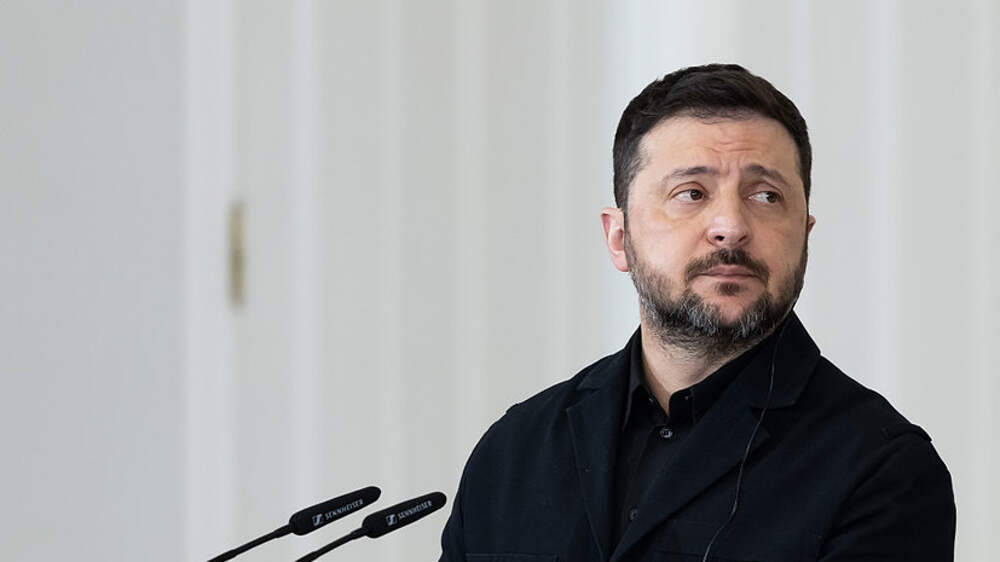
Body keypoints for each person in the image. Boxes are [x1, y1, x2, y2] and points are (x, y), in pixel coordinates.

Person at [438, 64, 955, 562]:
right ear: (619, 238)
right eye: (691, 193)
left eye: (766, 196)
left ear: (804, 236)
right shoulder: (513, 451)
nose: (731, 226)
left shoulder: (883, 471)